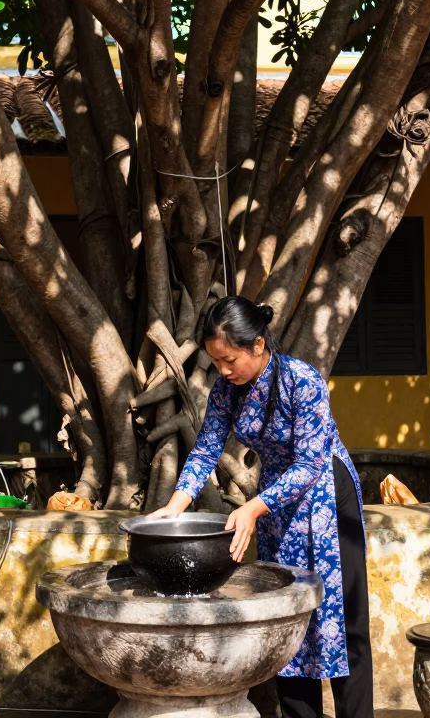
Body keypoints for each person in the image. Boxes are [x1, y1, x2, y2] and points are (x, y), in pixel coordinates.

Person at [149, 295, 373, 718]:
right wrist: (175, 506)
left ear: (257, 345)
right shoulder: (227, 390)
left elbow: (309, 463)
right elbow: (205, 450)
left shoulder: (302, 381)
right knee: (287, 614)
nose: (224, 370)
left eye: (229, 359)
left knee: (343, 620)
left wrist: (253, 507)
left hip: (326, 491)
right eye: (216, 362)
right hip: (274, 501)